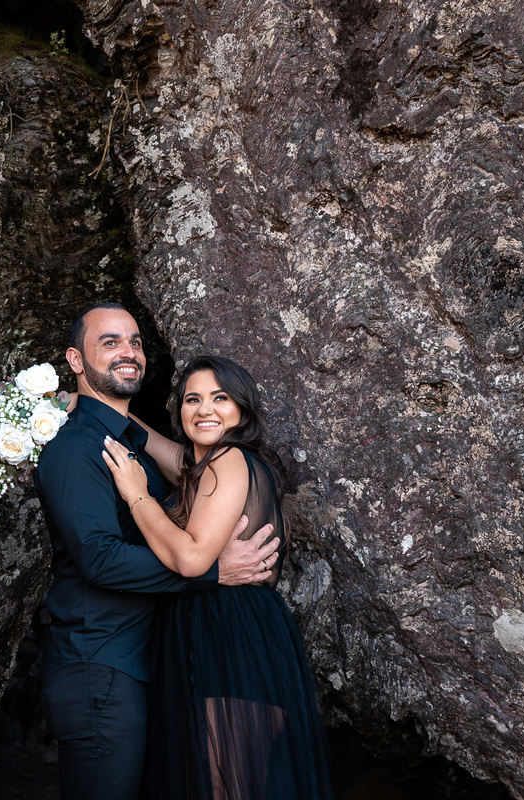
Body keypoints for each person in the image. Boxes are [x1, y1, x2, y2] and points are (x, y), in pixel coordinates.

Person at [33, 305, 280, 800]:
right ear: (74, 360)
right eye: (110, 342)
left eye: (136, 341)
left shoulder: (137, 450)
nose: (128, 351)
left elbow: (186, 460)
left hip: (145, 663)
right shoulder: (75, 448)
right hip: (99, 663)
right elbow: (99, 558)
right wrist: (214, 572)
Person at [102, 354, 334, 800]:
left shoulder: (228, 458)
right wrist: (102, 409)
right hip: (237, 628)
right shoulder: (209, 466)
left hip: (227, 631)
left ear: (242, 410)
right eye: (192, 400)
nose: (204, 409)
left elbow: (191, 560)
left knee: (227, 785)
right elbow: (174, 457)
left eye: (219, 398)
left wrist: (136, 495)